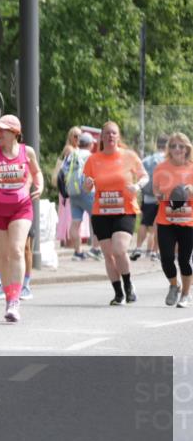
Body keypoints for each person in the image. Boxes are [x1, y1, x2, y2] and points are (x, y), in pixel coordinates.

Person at [0, 115, 43, 323]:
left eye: (3, 129)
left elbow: (36, 172)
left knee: (16, 250)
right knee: (3, 256)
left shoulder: (26, 151)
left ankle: (14, 301)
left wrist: (39, 185)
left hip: (21, 208)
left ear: (15, 133)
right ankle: (9, 297)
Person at [83, 121, 148, 305]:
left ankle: (129, 286)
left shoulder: (129, 156)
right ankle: (118, 293)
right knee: (108, 254)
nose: (110, 136)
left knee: (119, 249)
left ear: (118, 137)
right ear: (101, 137)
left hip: (125, 210)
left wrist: (137, 186)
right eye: (107, 133)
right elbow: (87, 186)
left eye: (114, 133)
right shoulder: (93, 160)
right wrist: (87, 186)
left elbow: (145, 176)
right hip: (101, 212)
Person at [152, 132, 193, 308]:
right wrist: (159, 195)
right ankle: (174, 285)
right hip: (166, 220)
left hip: (188, 221)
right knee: (167, 258)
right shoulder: (161, 168)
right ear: (169, 149)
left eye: (181, 146)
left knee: (184, 260)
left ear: (187, 149)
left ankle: (186, 294)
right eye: (174, 146)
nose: (177, 149)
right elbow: (155, 191)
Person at [62, 132, 100, 260]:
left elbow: (63, 171)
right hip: (88, 191)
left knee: (75, 222)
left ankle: (77, 252)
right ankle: (95, 249)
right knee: (96, 220)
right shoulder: (90, 156)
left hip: (73, 192)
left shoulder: (72, 154)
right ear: (90, 144)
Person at [133, 134, 169, 261]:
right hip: (162, 196)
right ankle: (154, 252)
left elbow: (140, 176)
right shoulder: (167, 160)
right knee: (158, 225)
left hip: (148, 196)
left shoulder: (147, 159)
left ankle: (138, 248)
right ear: (167, 145)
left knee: (144, 223)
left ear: (157, 144)